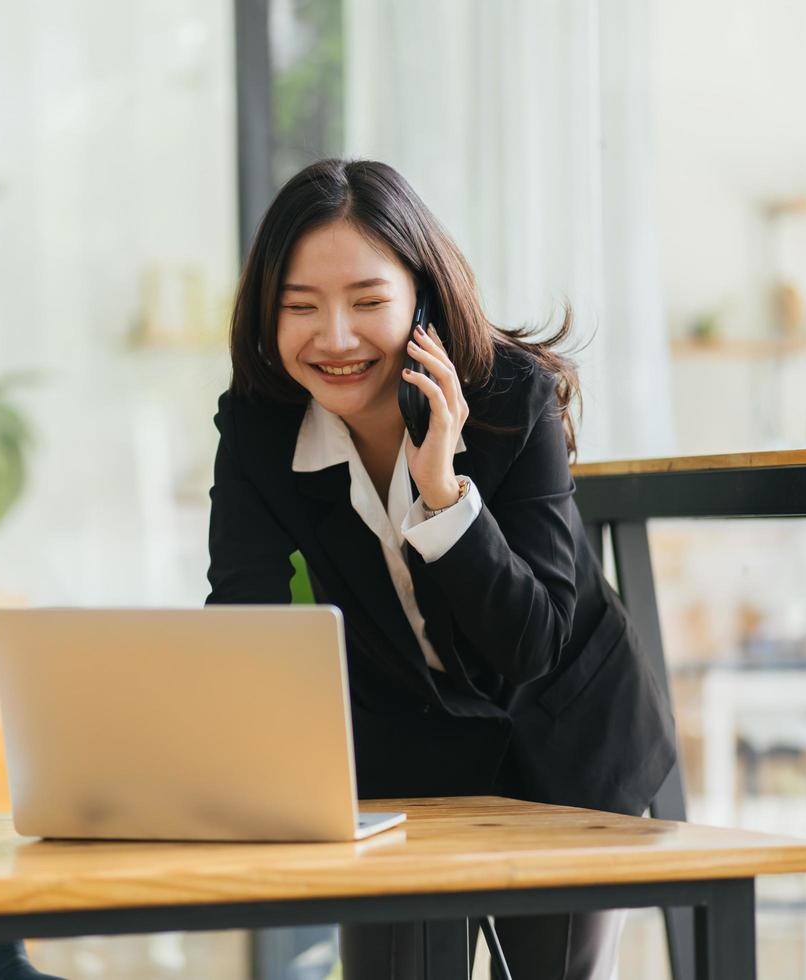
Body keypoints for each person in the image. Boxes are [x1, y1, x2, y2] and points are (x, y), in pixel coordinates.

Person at [205, 158, 676, 980]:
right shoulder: (258, 428)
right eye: (300, 308)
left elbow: (534, 644)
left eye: (368, 302)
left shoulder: (507, 399)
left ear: (421, 298)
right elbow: (240, 618)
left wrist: (442, 492)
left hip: (566, 745)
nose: (337, 337)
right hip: (409, 760)